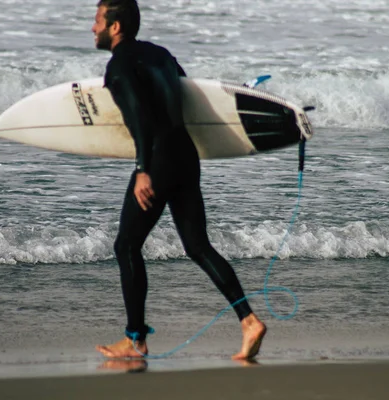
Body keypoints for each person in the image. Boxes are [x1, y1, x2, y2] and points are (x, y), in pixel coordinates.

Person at [92, 0, 266, 360]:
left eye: (97, 22)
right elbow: (194, 96)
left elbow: (138, 116)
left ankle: (135, 340)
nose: (92, 29)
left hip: (158, 160)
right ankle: (248, 321)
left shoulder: (119, 66)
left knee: (126, 246)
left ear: (116, 27)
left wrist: (143, 169)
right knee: (198, 246)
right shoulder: (162, 55)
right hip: (186, 155)